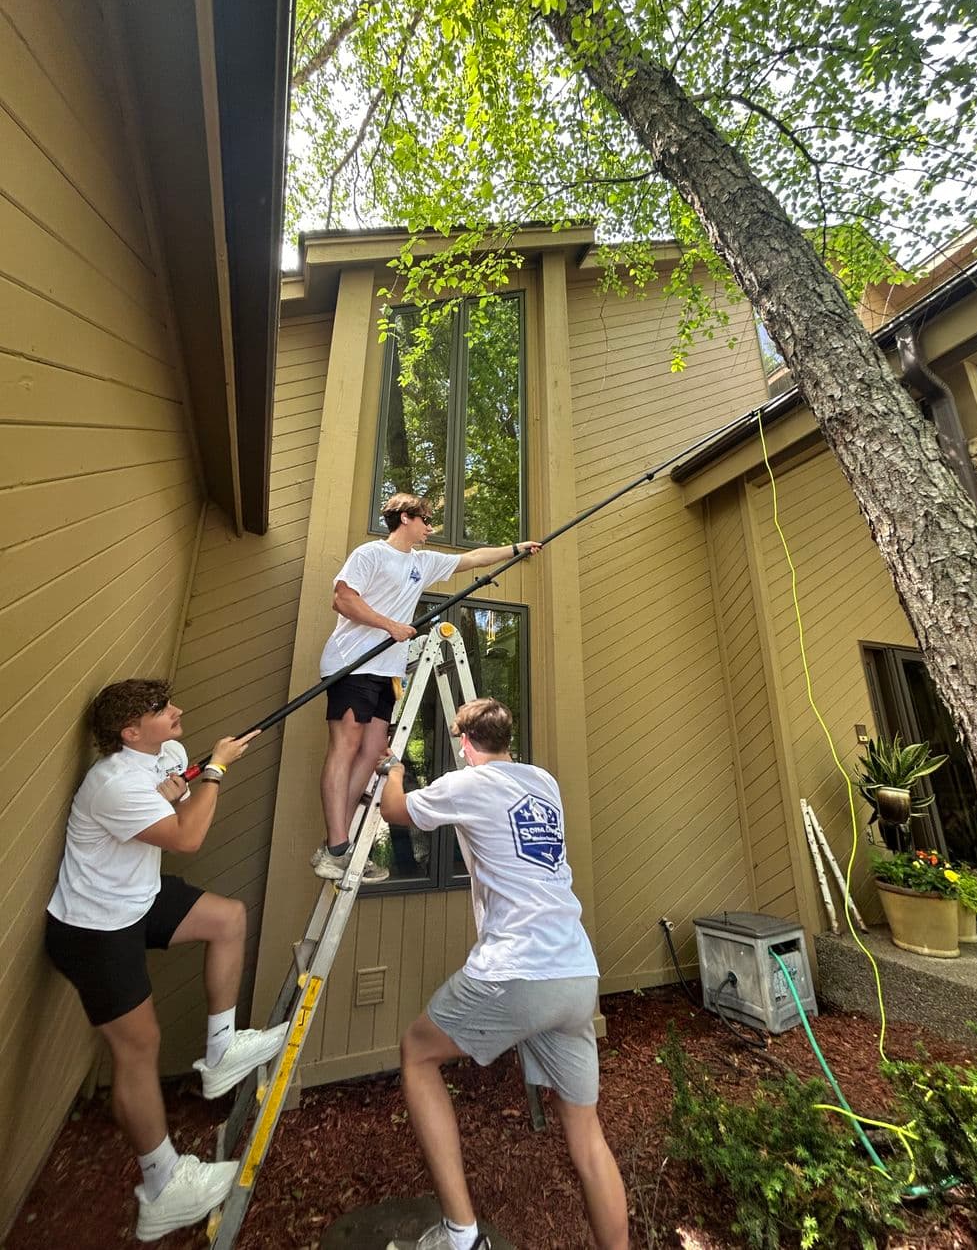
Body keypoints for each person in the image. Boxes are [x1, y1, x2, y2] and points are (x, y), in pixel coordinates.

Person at [378, 698, 629, 1250]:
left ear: (465, 744)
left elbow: (393, 810)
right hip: (576, 972)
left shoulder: (469, 784)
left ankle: (461, 1234)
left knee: (418, 1054)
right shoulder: (544, 782)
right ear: (506, 739)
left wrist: (392, 763)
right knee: (587, 1140)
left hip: (518, 968)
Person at [45, 680, 288, 1242]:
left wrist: (183, 784)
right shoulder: (112, 783)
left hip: (138, 898)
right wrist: (219, 770)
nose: (176, 711)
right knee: (139, 1048)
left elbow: (174, 792)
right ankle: (161, 1187)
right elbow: (186, 837)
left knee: (227, 918)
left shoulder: (167, 755)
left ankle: (222, 1046)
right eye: (161, 710)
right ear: (131, 733)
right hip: (94, 927)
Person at [312, 493, 540, 883]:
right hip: (351, 665)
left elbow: (474, 558)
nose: (430, 527)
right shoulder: (370, 555)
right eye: (426, 520)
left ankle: (339, 844)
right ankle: (335, 847)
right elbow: (342, 599)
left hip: (386, 672)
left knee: (369, 755)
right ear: (404, 518)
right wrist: (391, 625)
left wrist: (517, 547)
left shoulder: (422, 562)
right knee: (346, 748)